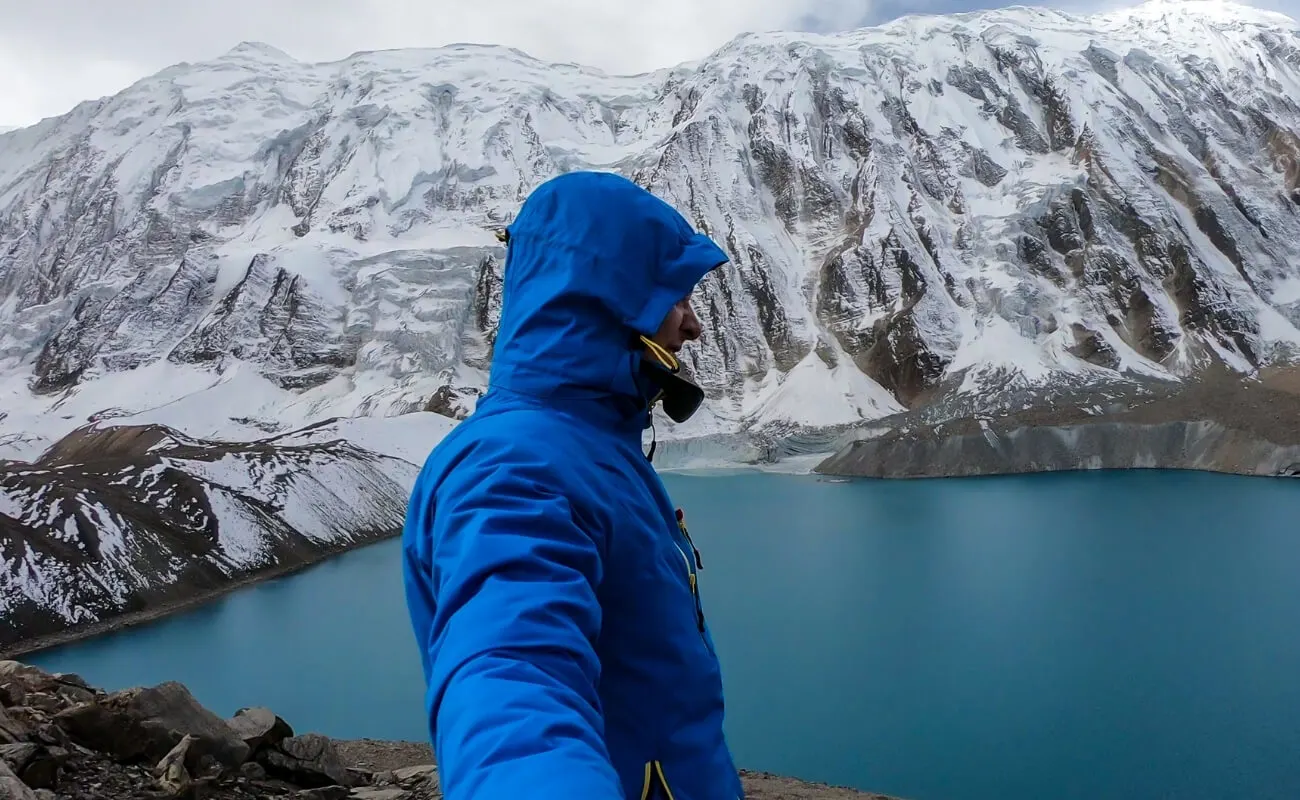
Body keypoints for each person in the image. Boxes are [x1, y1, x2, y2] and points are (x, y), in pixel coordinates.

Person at [401, 170, 744, 799]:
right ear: (611, 297)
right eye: (678, 297)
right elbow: (513, 682)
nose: (693, 326)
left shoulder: (590, 445)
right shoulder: (513, 468)